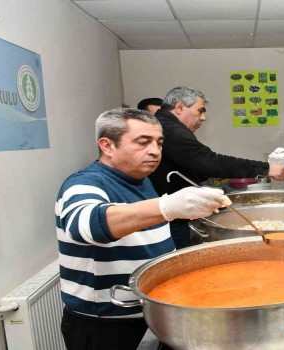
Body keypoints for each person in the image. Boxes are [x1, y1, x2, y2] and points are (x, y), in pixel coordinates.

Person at [55, 108, 231, 350]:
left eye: (159, 142)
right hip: (106, 325)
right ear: (107, 146)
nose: (155, 151)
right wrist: (167, 206)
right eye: (143, 142)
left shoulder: (141, 180)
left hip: (146, 312)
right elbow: (86, 225)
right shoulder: (85, 182)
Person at [148, 86, 284, 248]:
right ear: (180, 107)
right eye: (200, 111)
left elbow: (192, 162)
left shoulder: (165, 125)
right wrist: (265, 168)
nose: (203, 118)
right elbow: (208, 161)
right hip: (169, 217)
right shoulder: (170, 129)